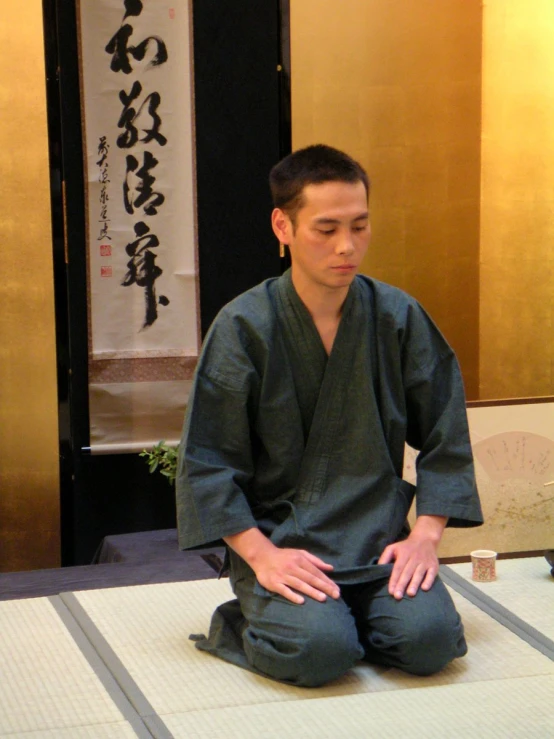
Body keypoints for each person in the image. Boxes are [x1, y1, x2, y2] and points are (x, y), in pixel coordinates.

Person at [176, 144, 483, 687]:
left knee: (432, 643)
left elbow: (446, 435)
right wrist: (261, 555)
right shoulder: (244, 327)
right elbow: (207, 461)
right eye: (326, 229)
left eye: (360, 226)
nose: (347, 247)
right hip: (283, 543)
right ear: (283, 226)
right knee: (320, 653)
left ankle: (349, 617)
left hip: (378, 538)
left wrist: (425, 536)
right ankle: (250, 621)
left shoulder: (397, 316)